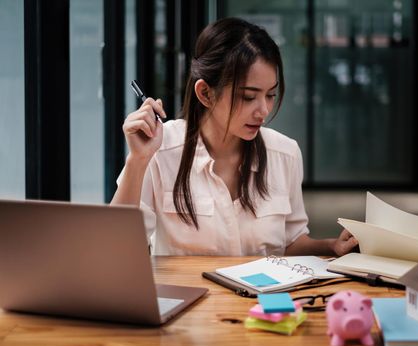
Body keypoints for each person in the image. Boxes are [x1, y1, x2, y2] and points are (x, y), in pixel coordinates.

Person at [111, 17, 358, 256]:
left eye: (270, 95)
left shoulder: (285, 153)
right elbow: (116, 249)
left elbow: (290, 243)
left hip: (258, 299)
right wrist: (137, 161)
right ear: (206, 93)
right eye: (248, 97)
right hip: (189, 298)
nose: (264, 110)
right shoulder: (160, 150)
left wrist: (331, 247)